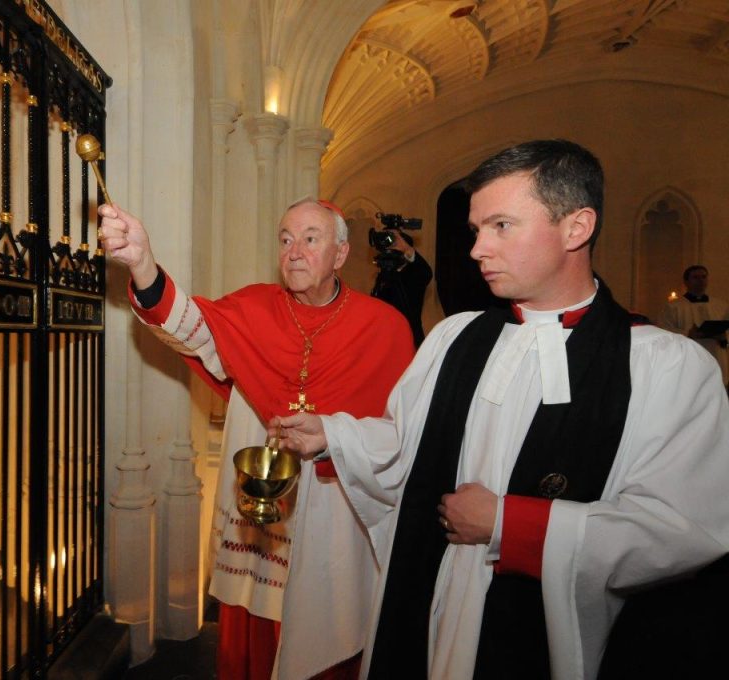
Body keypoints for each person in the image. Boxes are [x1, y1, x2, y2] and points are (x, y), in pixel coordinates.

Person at [274, 140, 729, 679]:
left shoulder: (664, 367)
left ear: (576, 228)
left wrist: (509, 524)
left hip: (547, 633)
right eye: (476, 230)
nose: (476, 250)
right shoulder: (454, 338)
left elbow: (681, 528)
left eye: (501, 227)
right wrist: (332, 435)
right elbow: (406, 445)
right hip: (435, 608)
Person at [98, 198, 414, 679]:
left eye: (311, 239)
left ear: (341, 253)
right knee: (253, 634)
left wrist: (334, 435)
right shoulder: (253, 307)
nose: (294, 251)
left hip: (336, 511)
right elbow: (192, 326)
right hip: (261, 519)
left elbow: (403, 437)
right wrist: (143, 264)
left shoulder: (384, 327)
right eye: (286, 239)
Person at [661, 265, 728, 386]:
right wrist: (688, 333)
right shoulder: (674, 307)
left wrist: (724, 337)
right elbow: (664, 331)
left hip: (716, 355)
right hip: (689, 359)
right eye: (695, 277)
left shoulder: (721, 306)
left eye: (704, 277)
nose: (701, 280)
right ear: (686, 281)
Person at [370, 228, 433, 345]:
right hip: (383, 339)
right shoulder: (384, 277)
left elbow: (426, 273)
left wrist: (407, 249)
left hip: (408, 340)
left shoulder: (413, 275)